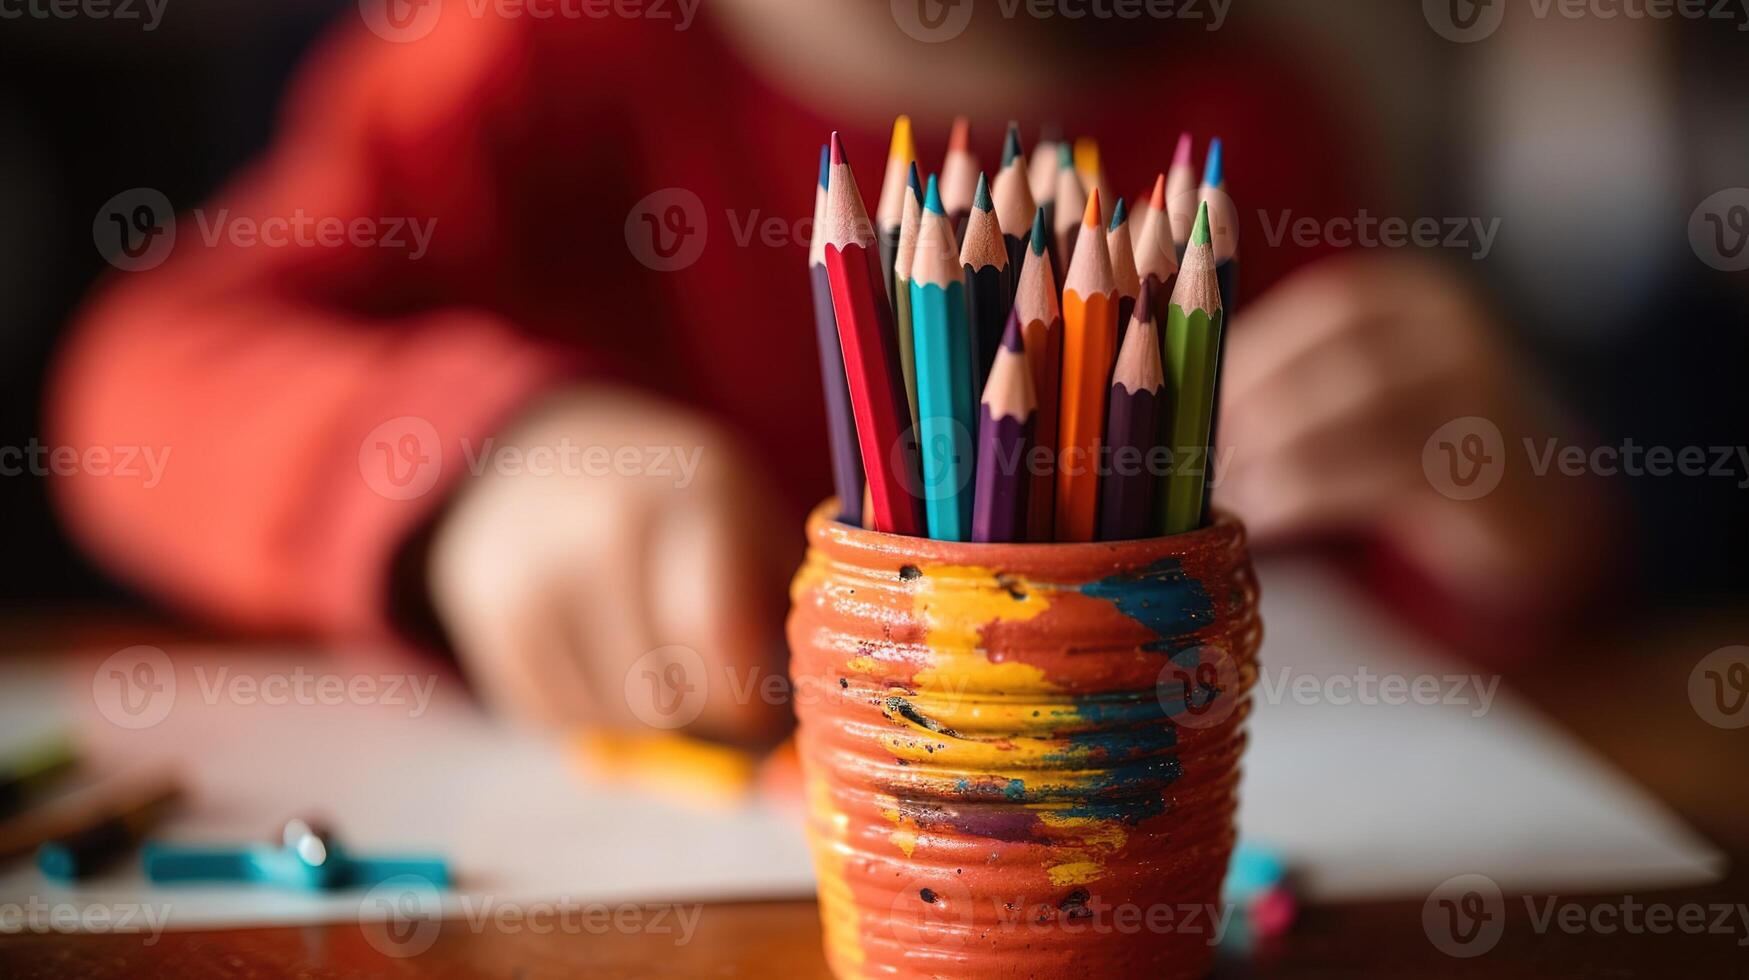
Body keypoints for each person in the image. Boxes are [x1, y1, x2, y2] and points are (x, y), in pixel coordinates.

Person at [48, 1, 1612, 741]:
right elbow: (141, 376)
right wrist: (467, 464)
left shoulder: (1245, 129)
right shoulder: (523, 57)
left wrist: (1501, 509)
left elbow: (1345, 611)